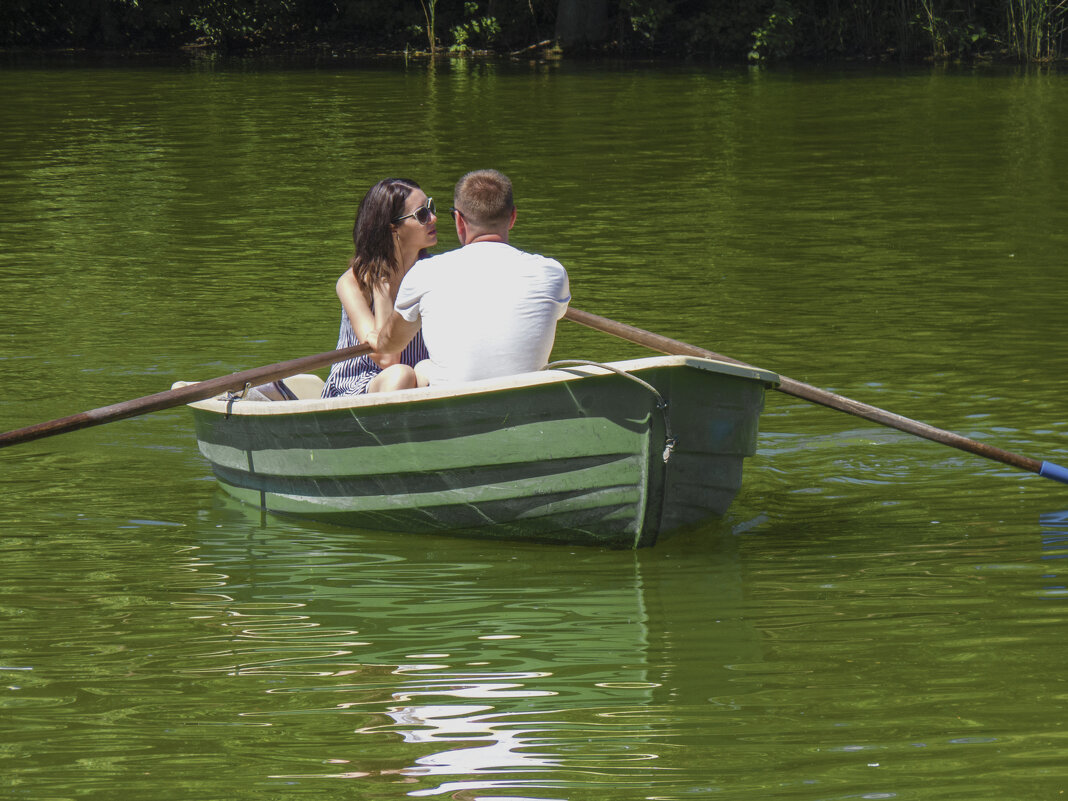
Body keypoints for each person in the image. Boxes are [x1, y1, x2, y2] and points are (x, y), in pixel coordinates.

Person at [376, 169, 570, 386]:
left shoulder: (425, 272)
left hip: (452, 406)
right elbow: (557, 314)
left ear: (458, 220)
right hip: (528, 402)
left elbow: (389, 346)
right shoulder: (552, 271)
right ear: (513, 217)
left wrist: (376, 334)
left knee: (422, 368)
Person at [321, 178, 438, 397]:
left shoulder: (434, 272)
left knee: (427, 371)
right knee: (400, 374)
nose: (433, 218)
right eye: (422, 214)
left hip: (416, 381)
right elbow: (387, 359)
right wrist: (382, 287)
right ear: (393, 228)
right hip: (359, 384)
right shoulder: (352, 283)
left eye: (430, 207)